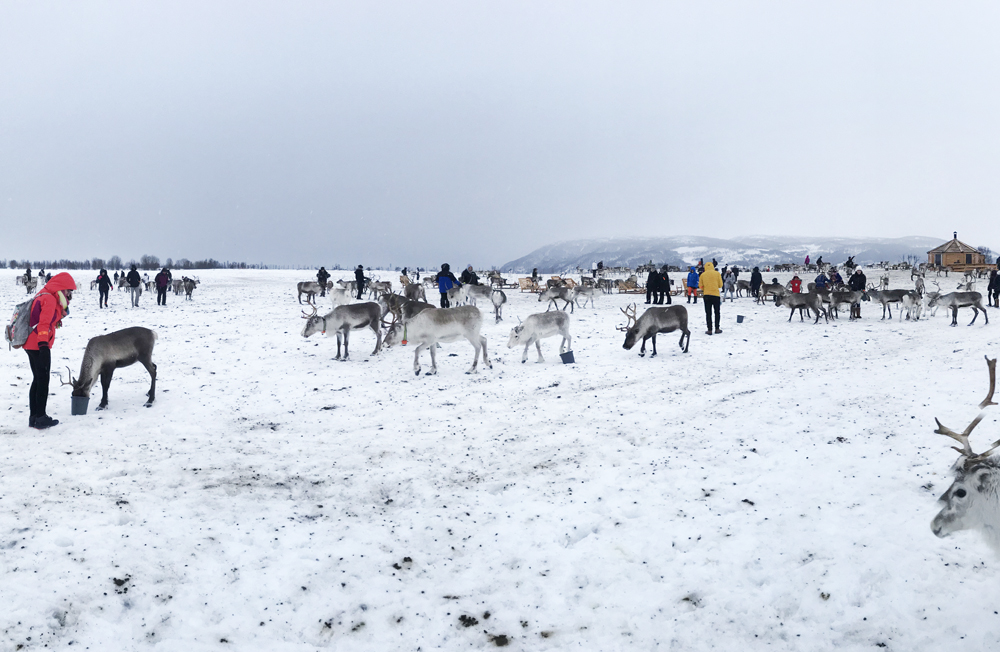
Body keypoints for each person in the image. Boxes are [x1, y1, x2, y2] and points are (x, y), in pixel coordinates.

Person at [24, 272, 76, 429]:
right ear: (61, 288)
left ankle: (34, 416)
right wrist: (44, 346)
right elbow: (44, 323)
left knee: (37, 379)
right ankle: (41, 417)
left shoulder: (44, 294)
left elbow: (46, 319)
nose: (69, 294)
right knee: (43, 380)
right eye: (68, 291)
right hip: (39, 345)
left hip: (31, 344)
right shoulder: (50, 299)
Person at [700, 262, 723, 335]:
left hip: (707, 295)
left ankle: (709, 329)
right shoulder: (717, 274)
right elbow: (720, 285)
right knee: (717, 312)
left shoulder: (702, 275)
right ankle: (717, 328)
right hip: (716, 295)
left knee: (708, 313)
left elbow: (700, 286)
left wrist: (705, 288)